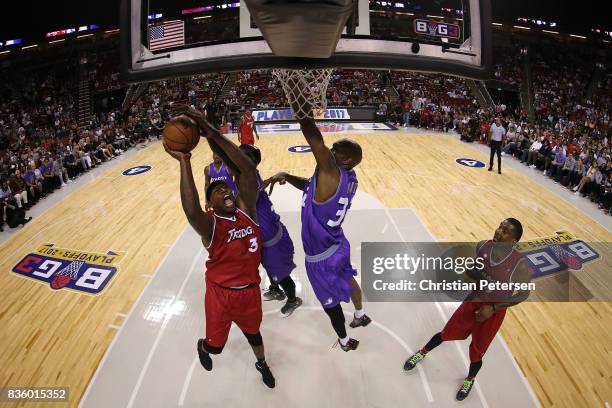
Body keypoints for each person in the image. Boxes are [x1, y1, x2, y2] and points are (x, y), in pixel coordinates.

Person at [164, 107, 275, 388]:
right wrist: (184, 161)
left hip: (250, 292)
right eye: (216, 191)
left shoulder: (247, 211)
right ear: (210, 204)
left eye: (226, 188)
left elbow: (247, 170)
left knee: (255, 336)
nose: (224, 190)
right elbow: (191, 211)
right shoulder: (211, 226)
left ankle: (262, 363)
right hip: (220, 296)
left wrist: (210, 130)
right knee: (216, 348)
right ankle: (205, 346)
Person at [263, 112, 371, 352]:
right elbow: (312, 186)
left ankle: (344, 341)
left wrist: (302, 113)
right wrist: (287, 176)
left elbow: (316, 142)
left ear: (345, 160)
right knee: (349, 278)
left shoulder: (331, 171)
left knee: (330, 305)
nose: (330, 152)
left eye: (336, 151)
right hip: (338, 243)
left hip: (321, 256)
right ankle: (361, 314)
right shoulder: (347, 178)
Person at [403, 219, 531, 401]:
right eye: (500, 226)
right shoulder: (483, 246)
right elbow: (474, 272)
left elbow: (523, 294)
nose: (498, 231)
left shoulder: (520, 265)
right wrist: (465, 273)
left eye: (505, 231)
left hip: (493, 313)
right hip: (473, 301)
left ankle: (470, 379)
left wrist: (494, 307)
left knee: (477, 351)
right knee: (446, 332)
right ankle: (422, 352)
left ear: (513, 241)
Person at [238, 144, 303, 316]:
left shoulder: (249, 177)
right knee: (268, 266)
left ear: (253, 163)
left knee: (281, 275)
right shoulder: (247, 175)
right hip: (264, 237)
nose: (240, 159)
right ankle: (275, 289)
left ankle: (293, 300)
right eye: (239, 155)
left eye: (246, 157)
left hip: (272, 240)